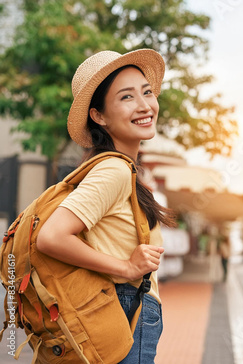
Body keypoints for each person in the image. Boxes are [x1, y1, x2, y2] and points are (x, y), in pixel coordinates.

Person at [37, 49, 176, 363]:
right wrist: (126, 268)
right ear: (98, 115)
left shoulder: (120, 169)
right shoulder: (112, 170)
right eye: (126, 97)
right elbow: (52, 237)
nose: (144, 105)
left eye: (147, 92)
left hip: (124, 310)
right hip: (124, 309)